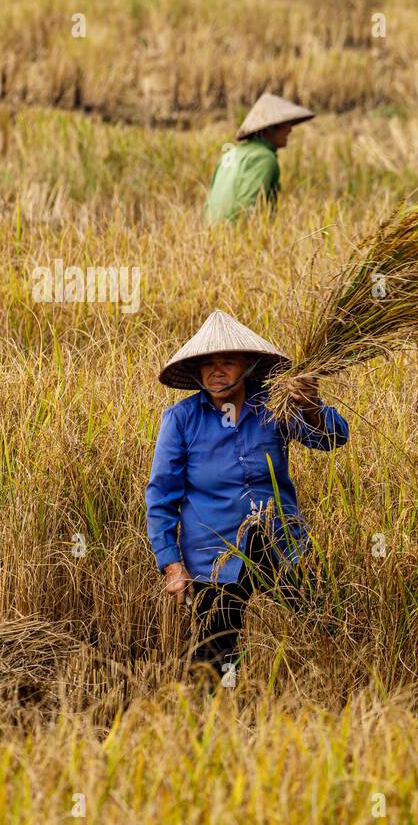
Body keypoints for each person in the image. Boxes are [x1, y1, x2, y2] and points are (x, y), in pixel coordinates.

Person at [145, 310, 348, 675]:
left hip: (282, 542)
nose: (216, 371)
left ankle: (318, 697)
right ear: (197, 371)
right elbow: (161, 497)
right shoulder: (181, 420)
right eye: (208, 364)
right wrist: (173, 566)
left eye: (227, 361)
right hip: (214, 552)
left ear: (249, 366)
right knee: (217, 647)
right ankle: (218, 713)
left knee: (322, 624)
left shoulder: (274, 406)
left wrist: (312, 404)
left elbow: (332, 438)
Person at [204, 92, 314, 224]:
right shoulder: (264, 158)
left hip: (212, 234)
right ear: (270, 129)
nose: (290, 130)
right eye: (286, 124)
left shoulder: (230, 153)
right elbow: (248, 208)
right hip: (235, 235)